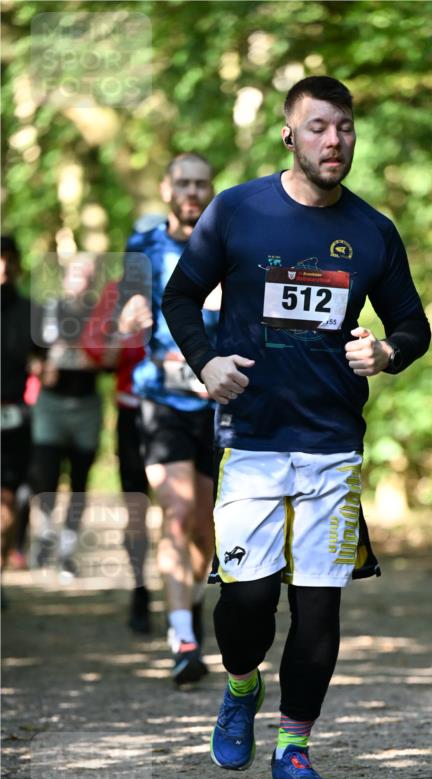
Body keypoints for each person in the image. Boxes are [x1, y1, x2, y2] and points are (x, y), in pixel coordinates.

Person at [162, 76, 430, 779]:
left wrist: (387, 353)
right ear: (289, 134)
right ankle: (241, 685)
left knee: (319, 605)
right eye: (316, 127)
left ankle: (294, 750)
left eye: (342, 126)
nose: (332, 140)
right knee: (246, 603)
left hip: (331, 446)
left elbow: (413, 324)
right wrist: (206, 360)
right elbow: (179, 296)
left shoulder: (372, 231)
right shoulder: (237, 211)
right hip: (251, 441)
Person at [122, 154, 220, 681]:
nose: (191, 191)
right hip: (161, 399)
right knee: (177, 512)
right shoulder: (144, 248)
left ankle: (191, 603)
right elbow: (122, 317)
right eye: (182, 182)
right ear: (166, 189)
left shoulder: (227, 246)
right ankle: (182, 637)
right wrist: (128, 318)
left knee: (205, 528)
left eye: (200, 183)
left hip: (215, 402)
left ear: (210, 190)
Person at [81, 270, 153, 633]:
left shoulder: (200, 276)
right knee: (137, 508)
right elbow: (100, 357)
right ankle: (140, 591)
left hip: (190, 412)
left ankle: (187, 606)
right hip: (133, 413)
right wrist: (124, 330)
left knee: (187, 510)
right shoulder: (118, 291)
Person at [30, 253, 103, 579]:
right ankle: (45, 534)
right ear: (65, 277)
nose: (81, 279)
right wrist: (40, 367)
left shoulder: (99, 314)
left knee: (79, 481)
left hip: (86, 404)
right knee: (44, 474)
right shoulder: (49, 309)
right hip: (51, 405)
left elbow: (110, 355)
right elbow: (33, 353)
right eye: (76, 273)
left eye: (87, 274)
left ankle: (67, 552)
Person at [1, 235, 42, 597]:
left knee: (7, 500)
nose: (2, 267)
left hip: (13, 416)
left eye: (7, 259)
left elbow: (46, 357)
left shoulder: (30, 311)